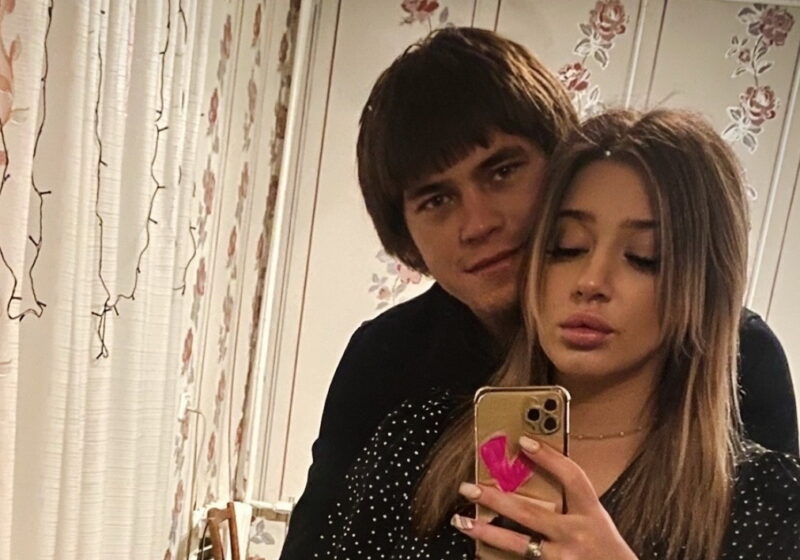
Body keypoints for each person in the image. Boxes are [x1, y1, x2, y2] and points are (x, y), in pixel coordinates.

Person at [279, 27, 797, 558]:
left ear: (556, 168)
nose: (478, 223)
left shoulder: (749, 394)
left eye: (503, 171)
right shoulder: (399, 397)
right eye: (568, 248)